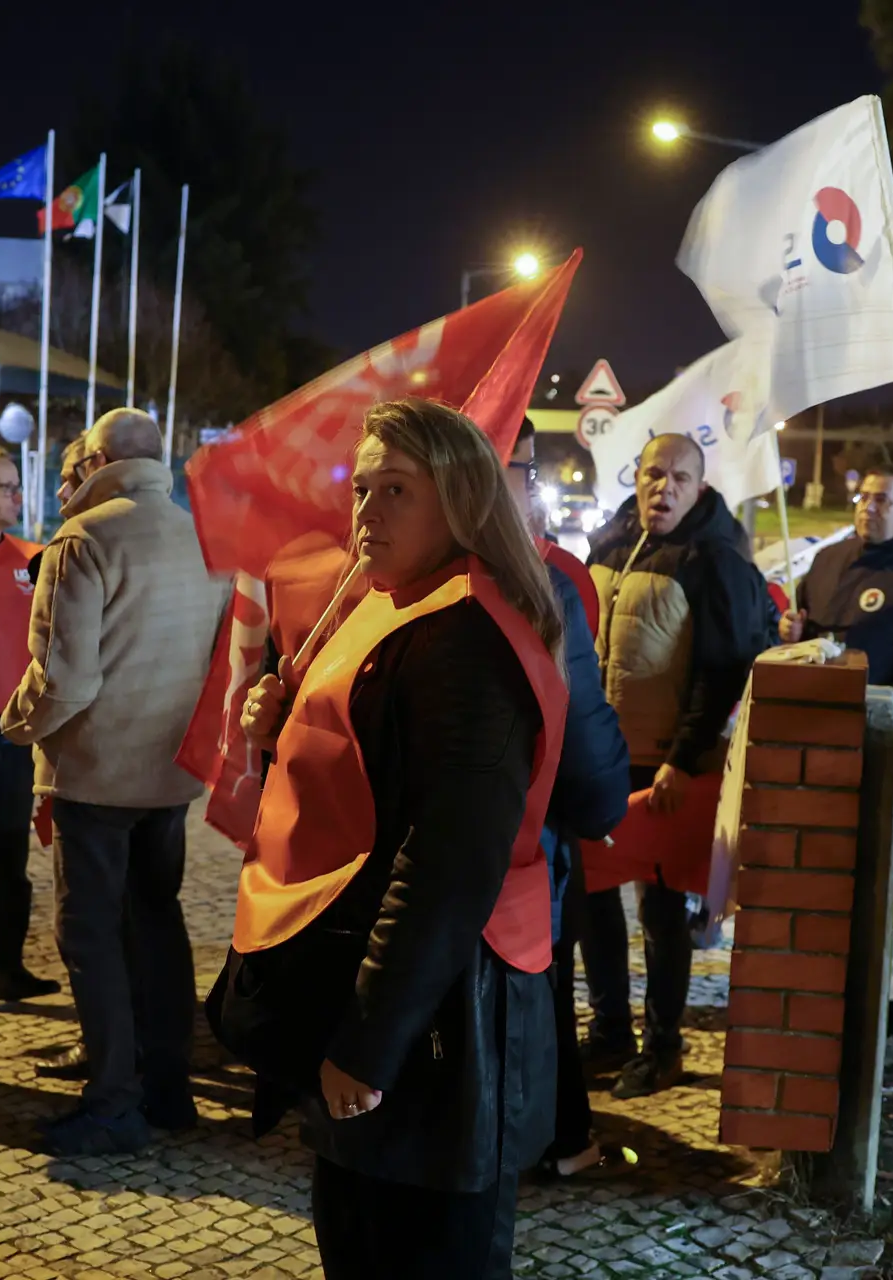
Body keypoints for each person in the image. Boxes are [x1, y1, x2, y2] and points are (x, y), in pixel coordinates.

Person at [218, 399, 566, 1279]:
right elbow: (376, 766)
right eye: (362, 489)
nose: (366, 515)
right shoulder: (400, 605)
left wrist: (368, 1044)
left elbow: (447, 866)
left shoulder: (464, 647)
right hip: (396, 1010)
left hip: (435, 1035)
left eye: (396, 491)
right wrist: (284, 717)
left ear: (459, 500)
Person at [3, 409, 227, 1154]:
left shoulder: (84, 539)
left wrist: (17, 726)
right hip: (169, 772)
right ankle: (168, 1088)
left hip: (96, 775)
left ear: (95, 460)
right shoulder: (201, 535)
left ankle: (112, 1103)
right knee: (158, 925)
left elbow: (65, 677)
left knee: (90, 936)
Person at [585, 432, 766, 1097]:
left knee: (661, 913)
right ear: (637, 477)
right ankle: (610, 1031)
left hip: (663, 765)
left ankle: (664, 1046)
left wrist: (683, 761)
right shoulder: (612, 540)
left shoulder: (715, 558)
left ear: (700, 486)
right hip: (601, 757)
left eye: (679, 479)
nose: (664, 488)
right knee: (589, 894)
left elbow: (721, 672)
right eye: (653, 474)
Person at [505, 417, 629, 1179]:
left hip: (525, 843)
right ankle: (549, 1138)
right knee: (537, 990)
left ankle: (555, 1133)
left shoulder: (553, 578)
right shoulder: (540, 581)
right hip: (525, 850)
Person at [780, 464, 893, 754]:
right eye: (863, 498)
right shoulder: (828, 557)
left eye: (881, 500)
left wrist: (890, 705)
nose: (867, 508)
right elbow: (800, 618)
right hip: (813, 709)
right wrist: (791, 632)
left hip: (879, 730)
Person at [0, 447, 55, 1002]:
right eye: (4, 486)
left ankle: (2, 968)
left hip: (12, 733)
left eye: (16, 487)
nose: (16, 497)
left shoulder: (33, 558)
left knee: (10, 859)